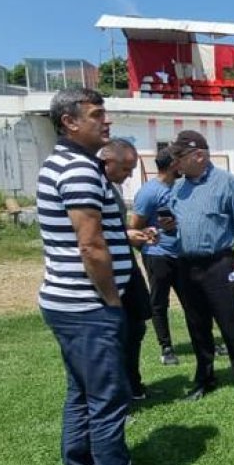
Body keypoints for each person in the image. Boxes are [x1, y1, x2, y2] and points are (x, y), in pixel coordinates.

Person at [36, 87, 174, 465]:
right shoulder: (78, 171)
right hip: (87, 306)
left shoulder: (63, 164)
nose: (106, 122)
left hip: (66, 303)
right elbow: (91, 246)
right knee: (107, 400)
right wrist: (111, 299)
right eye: (97, 115)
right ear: (69, 122)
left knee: (81, 393)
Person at [167, 130, 234, 407]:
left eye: (179, 156)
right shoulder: (178, 188)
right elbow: (177, 228)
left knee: (230, 326)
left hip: (218, 265)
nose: (175, 162)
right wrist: (162, 232)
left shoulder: (227, 183)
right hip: (186, 265)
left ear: (199, 155)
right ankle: (204, 379)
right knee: (197, 327)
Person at [99, 138, 154, 401]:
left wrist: (131, 234)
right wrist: (126, 237)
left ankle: (132, 385)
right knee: (116, 335)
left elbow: (112, 230)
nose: (130, 175)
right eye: (125, 169)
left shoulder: (113, 187)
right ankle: (118, 395)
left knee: (136, 326)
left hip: (126, 266)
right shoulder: (92, 186)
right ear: (107, 162)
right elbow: (91, 238)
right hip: (109, 273)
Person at [130, 147, 184, 366]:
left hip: (182, 254)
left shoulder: (181, 188)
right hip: (158, 256)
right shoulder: (149, 192)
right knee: (160, 302)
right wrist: (148, 244)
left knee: (193, 300)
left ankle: (205, 340)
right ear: (172, 164)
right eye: (180, 161)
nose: (182, 165)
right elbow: (134, 229)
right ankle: (166, 347)